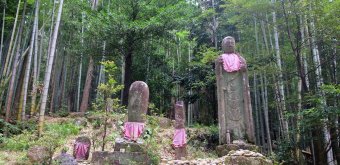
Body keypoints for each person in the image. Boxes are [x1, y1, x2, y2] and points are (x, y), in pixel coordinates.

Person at [215, 36, 255, 144]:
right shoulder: (220, 59)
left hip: (239, 91)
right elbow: (218, 76)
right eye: (227, 43)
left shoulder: (241, 59)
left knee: (241, 113)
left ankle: (244, 135)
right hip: (227, 91)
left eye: (232, 43)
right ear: (223, 46)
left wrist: (244, 69)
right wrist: (218, 66)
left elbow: (245, 75)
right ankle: (228, 136)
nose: (230, 44)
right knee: (228, 112)